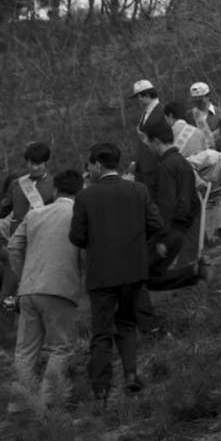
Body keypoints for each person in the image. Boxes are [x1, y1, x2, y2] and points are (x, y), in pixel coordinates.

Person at [70, 142, 165, 403]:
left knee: (101, 330)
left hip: (101, 273)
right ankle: (131, 375)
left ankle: (101, 389)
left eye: (90, 165)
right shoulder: (138, 190)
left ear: (98, 165)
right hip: (133, 270)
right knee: (127, 323)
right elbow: (156, 224)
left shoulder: (85, 197)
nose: (89, 170)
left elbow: (76, 237)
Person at [6, 168, 85, 410]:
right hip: (61, 288)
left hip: (28, 290)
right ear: (80, 191)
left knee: (25, 349)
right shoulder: (80, 215)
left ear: (55, 189)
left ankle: (20, 404)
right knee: (61, 347)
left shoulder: (35, 214)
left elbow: (13, 247)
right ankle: (48, 401)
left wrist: (25, 277)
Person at [140, 121, 206, 292]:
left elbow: (166, 206)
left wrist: (161, 238)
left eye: (146, 141)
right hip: (179, 231)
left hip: (167, 233)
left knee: (136, 274)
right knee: (152, 279)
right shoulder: (183, 163)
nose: (146, 145)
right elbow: (194, 203)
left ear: (156, 141)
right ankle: (194, 272)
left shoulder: (165, 166)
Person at [0, 142, 57, 232]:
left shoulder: (55, 185)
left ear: (46, 162)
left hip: (41, 234)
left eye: (38, 164)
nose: (34, 168)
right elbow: (4, 209)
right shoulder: (16, 182)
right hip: (17, 235)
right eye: (31, 163)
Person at [129, 79, 165, 193]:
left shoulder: (161, 111)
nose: (138, 101)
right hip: (143, 167)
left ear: (147, 95)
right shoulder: (145, 113)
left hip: (154, 167)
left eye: (139, 97)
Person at [188, 82, 221, 146]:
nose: (197, 103)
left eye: (200, 100)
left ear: (208, 96)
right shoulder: (189, 115)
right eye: (195, 100)